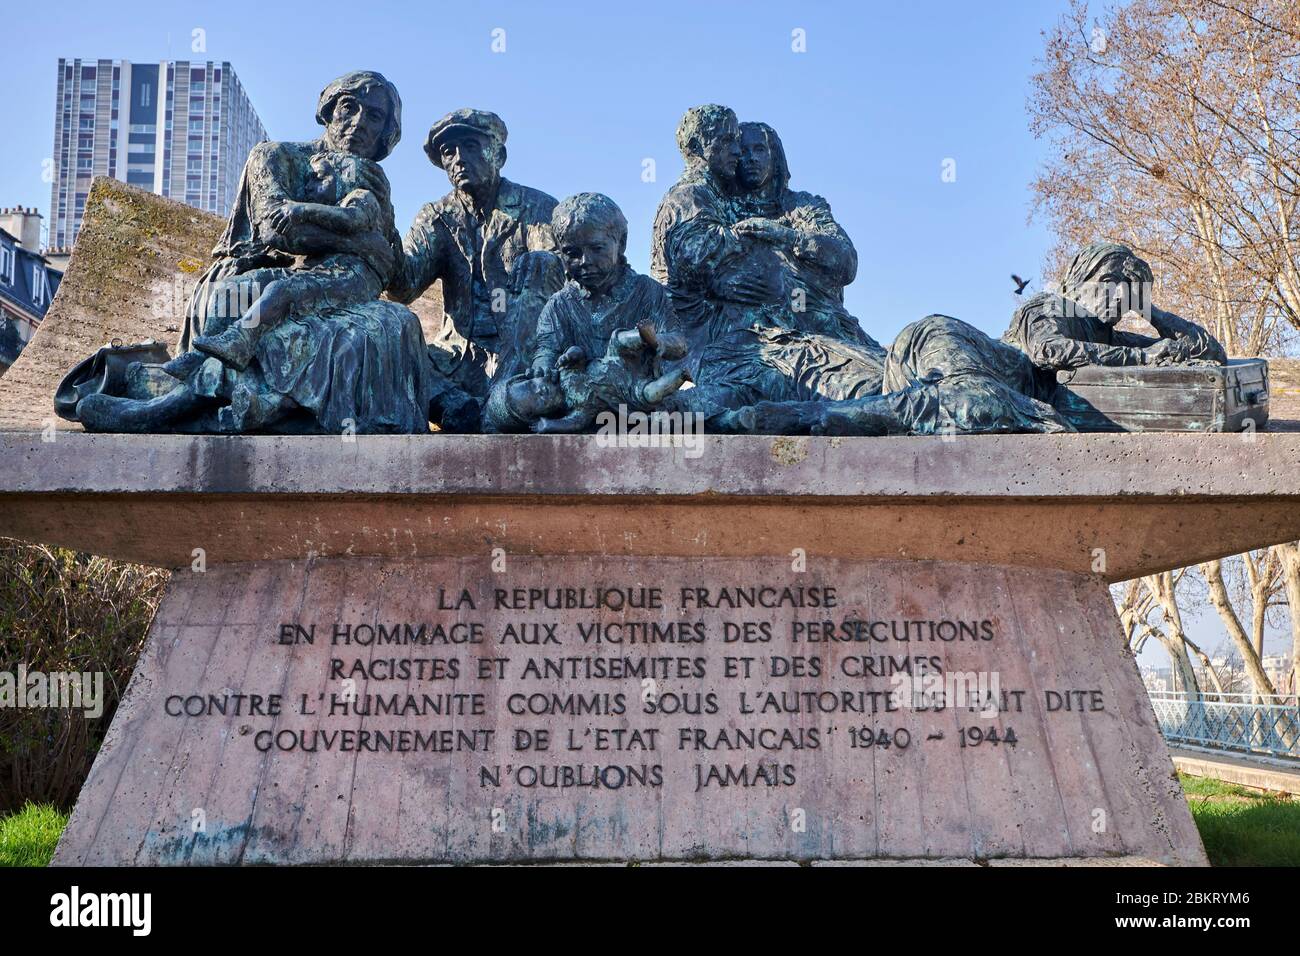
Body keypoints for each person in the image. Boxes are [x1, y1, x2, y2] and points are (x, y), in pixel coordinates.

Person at [70, 70, 439, 435]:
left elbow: (398, 281)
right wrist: (363, 243)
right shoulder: (275, 155)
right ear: (328, 112)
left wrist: (419, 225)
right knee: (250, 301)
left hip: (327, 284)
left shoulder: (370, 183)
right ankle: (186, 405)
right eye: (349, 107)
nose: (359, 123)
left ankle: (182, 411)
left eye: (374, 116)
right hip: (250, 273)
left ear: (385, 135)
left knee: (384, 325)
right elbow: (277, 229)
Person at [388, 108, 564, 410]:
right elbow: (403, 288)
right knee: (390, 343)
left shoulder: (538, 208)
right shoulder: (436, 217)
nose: (458, 158)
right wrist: (380, 233)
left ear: (499, 155)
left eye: (470, 146)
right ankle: (457, 407)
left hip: (525, 353)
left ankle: (498, 401)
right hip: (457, 358)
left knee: (541, 263)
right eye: (448, 151)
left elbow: (558, 277)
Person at [730, 121, 875, 347]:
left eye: (759, 149)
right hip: (751, 337)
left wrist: (786, 236)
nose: (751, 158)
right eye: (744, 151)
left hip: (821, 326)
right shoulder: (724, 211)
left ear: (774, 156)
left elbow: (847, 263)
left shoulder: (802, 206)